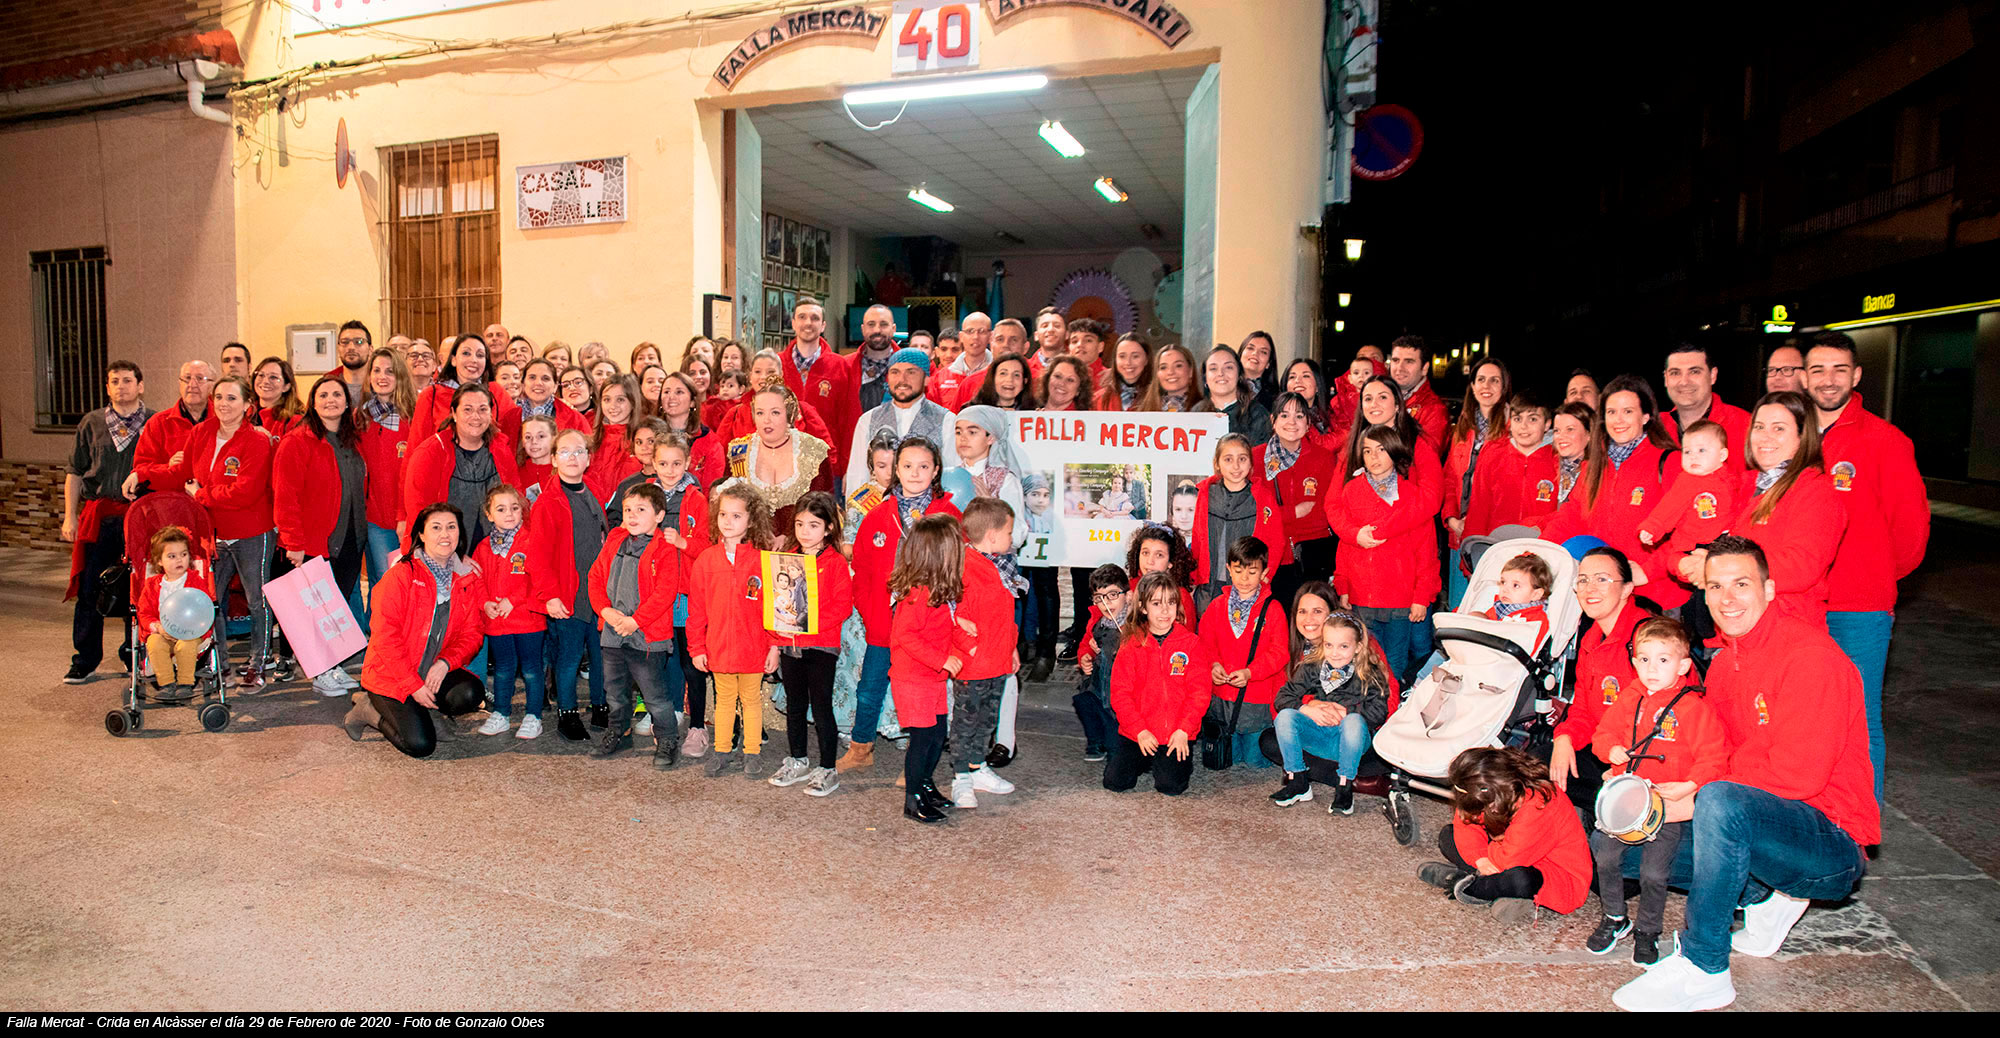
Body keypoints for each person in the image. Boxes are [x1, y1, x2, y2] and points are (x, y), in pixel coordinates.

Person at [1610, 535, 1875, 1013]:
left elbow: (1800, 776)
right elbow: (1713, 753)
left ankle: (1705, 967)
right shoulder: (1726, 663)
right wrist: (1656, 789)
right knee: (1626, 845)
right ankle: (1760, 897)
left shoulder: (1810, 657)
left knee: (1720, 802)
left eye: (1741, 584)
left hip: (1829, 840)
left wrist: (1697, 797)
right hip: (1758, 821)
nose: (1727, 598)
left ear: (1769, 590)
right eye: (1715, 586)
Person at [1806, 332, 1927, 806]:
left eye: (1839, 369)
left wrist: (1870, 576)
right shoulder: (1790, 434)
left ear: (1856, 376)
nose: (1828, 380)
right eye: (1818, 370)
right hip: (1799, 602)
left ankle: (1860, 825)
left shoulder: (1885, 440)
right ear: (1804, 378)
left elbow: (1911, 533)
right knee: (1804, 716)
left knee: (1859, 717)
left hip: (1858, 609)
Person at [1586, 616, 1727, 966]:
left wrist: (1690, 786)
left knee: (1654, 873)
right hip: (1625, 801)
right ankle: (1615, 916)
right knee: (1605, 857)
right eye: (1645, 659)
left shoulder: (1694, 707)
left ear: (1683, 666)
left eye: (1663, 660)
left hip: (1666, 806)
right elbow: (1603, 734)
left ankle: (1648, 930)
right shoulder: (1629, 697)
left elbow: (1713, 757)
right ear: (1634, 663)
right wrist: (1610, 750)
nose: (1652, 668)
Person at [840, 437, 963, 772]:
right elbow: (862, 568)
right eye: (907, 466)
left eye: (924, 466)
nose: (915, 473)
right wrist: (870, 611)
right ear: (896, 469)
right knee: (870, 688)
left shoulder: (948, 516)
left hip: (928, 625)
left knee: (925, 694)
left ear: (936, 470)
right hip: (883, 622)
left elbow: (960, 569)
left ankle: (918, 762)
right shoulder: (878, 515)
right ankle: (861, 748)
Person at [1680, 392, 1843, 625]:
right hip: (1735, 621)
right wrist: (1681, 561)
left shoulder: (1816, 491)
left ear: (1802, 436)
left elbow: (1801, 567)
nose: (1766, 437)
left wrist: (1717, 568)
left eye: (1779, 428)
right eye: (1759, 427)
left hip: (1786, 625)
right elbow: (1695, 530)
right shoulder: (1743, 485)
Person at [345, 503, 490, 758]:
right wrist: (412, 685)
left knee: (470, 692)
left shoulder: (465, 579)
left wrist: (445, 663)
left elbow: (473, 634)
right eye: (436, 528)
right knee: (421, 745)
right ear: (421, 535)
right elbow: (385, 639)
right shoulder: (401, 576)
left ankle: (426, 711)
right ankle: (368, 710)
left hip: (431, 668)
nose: (445, 534)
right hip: (392, 674)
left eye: (451, 527)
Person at [273, 374, 371, 694]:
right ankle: (320, 672)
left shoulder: (352, 440)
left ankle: (333, 664)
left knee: (334, 608)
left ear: (347, 402)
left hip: (351, 539)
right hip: (316, 542)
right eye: (323, 395)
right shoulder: (297, 442)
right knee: (313, 611)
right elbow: (285, 496)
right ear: (312, 403)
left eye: (337, 395)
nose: (331, 400)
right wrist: (293, 542)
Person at [1419, 747, 1592, 925]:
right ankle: (1497, 889)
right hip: (1507, 854)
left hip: (1553, 875)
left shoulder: (1539, 803)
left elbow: (1511, 860)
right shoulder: (1495, 789)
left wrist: (1486, 855)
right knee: (1448, 836)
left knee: (1520, 879)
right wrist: (1480, 859)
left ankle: (1468, 886)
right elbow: (1466, 824)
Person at [1542, 374, 1681, 586]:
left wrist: (1648, 571)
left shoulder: (1669, 462)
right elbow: (1571, 517)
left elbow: (1685, 532)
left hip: (1654, 590)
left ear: (1645, 416)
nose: (1618, 420)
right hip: (1604, 589)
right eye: (1611, 412)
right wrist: (1538, 553)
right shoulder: (1594, 465)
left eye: (1628, 411)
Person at [63, 360, 152, 683]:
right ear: (107, 387)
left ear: (140, 386)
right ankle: (85, 659)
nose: (121, 386)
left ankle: (134, 654)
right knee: (90, 588)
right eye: (114, 381)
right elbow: (75, 472)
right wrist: (70, 516)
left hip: (139, 518)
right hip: (99, 517)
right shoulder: (92, 423)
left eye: (127, 380)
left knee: (138, 590)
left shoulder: (155, 422)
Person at [186, 375, 276, 689]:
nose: (224, 404)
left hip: (252, 531)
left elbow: (244, 492)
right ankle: (219, 664)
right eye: (219, 397)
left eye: (232, 398)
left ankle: (257, 664)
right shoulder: (200, 433)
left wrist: (201, 495)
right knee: (211, 601)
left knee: (257, 602)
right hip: (212, 533)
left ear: (248, 405)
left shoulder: (257, 440)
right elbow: (186, 474)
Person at [585, 482, 685, 766]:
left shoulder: (664, 549)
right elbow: (595, 577)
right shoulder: (615, 539)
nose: (632, 515)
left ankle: (667, 739)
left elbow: (665, 593)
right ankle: (619, 732)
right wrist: (605, 611)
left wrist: (635, 621)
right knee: (615, 691)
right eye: (628, 509)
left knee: (655, 696)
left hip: (647, 636)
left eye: (641, 510)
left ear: (659, 515)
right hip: (613, 631)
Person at [688, 481, 780, 779]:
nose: (728, 521)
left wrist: (774, 645)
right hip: (718, 647)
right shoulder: (706, 560)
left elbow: (774, 609)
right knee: (724, 701)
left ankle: (752, 751)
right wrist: (696, 648)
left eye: (736, 516)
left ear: (751, 520)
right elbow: (696, 610)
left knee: (751, 701)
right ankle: (722, 750)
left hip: (753, 647)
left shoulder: (762, 560)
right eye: (723, 515)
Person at [1554, 546, 1652, 822]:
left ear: (1627, 589)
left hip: (1641, 759)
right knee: (1535, 765)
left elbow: (1661, 721)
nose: (1590, 588)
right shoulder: (1591, 638)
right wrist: (1564, 738)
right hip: (1603, 746)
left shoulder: (1647, 638)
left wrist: (1620, 767)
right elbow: (1582, 709)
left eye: (1602, 579)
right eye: (1583, 580)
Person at [1329, 424, 1431, 680]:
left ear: (1394, 452)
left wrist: (1421, 596)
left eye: (1381, 450)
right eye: (1367, 451)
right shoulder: (1351, 491)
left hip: (1400, 598)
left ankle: (1393, 703)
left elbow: (1426, 551)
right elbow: (1345, 544)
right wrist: (1343, 586)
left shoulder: (1412, 495)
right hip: (1362, 595)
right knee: (1366, 661)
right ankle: (1372, 704)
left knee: (1394, 664)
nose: (1374, 457)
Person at [768, 492, 853, 797]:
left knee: (820, 706)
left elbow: (842, 606)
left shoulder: (835, 562)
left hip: (820, 646)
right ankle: (798, 760)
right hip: (790, 645)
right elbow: (776, 604)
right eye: (800, 524)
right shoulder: (786, 559)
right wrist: (774, 644)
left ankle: (828, 767)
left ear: (828, 528)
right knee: (794, 704)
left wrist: (809, 622)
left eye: (814, 525)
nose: (805, 531)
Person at [525, 428, 608, 740]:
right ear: (554, 459)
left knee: (600, 655)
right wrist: (550, 595)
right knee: (570, 657)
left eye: (578, 452)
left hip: (597, 593)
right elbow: (537, 556)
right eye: (565, 452)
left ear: (588, 459)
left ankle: (601, 706)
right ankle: (568, 713)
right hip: (567, 595)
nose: (572, 458)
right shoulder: (548, 502)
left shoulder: (593, 491)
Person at [1268, 609, 1391, 813]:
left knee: (1353, 722)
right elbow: (1283, 697)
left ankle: (1344, 785)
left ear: (1358, 647)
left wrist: (1347, 713)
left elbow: (1379, 712)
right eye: (1328, 645)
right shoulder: (1312, 667)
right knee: (1285, 717)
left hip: (1352, 741)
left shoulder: (1370, 672)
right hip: (1320, 736)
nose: (1335, 653)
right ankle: (1298, 781)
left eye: (1344, 646)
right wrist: (1307, 709)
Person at [1104, 572, 1214, 797]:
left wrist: (1184, 730)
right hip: (1139, 732)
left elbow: (1200, 693)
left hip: (1176, 733)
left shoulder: (1191, 644)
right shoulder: (1131, 644)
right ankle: (1146, 759)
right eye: (1156, 603)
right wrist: (1139, 731)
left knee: (1170, 786)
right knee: (1115, 782)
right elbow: (1120, 694)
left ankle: (1168, 761)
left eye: (1170, 603)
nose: (1165, 611)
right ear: (1143, 607)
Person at [949, 497, 1026, 809]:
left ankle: (977, 766)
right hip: (973, 666)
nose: (1012, 538)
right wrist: (971, 647)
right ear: (992, 536)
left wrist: (1011, 647)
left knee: (987, 720)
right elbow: (952, 616)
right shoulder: (964, 568)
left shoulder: (998, 566)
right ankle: (960, 777)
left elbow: (1004, 615)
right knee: (966, 723)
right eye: (1009, 532)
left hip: (998, 661)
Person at [1197, 536, 1288, 771]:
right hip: (1221, 696)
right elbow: (1204, 643)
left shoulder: (1273, 609)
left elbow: (1280, 652)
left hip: (1256, 696)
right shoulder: (1216, 606)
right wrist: (1213, 665)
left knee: (1254, 761)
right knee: (1231, 758)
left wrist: (1251, 672)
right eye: (1238, 571)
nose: (1244, 579)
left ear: (1264, 572)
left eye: (1252, 572)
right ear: (1228, 569)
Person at [399, 382, 521, 555]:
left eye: (482, 409)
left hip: (493, 551)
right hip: (441, 551)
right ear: (454, 413)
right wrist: (454, 557)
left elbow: (516, 497)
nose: (476, 416)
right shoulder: (430, 452)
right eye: (467, 410)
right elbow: (419, 512)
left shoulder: (501, 449)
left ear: (491, 413)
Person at [470, 484, 548, 740]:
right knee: (503, 669)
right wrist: (485, 604)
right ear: (489, 514)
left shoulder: (532, 540)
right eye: (501, 509)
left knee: (532, 669)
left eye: (515, 508)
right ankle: (501, 713)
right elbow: (477, 580)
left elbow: (538, 578)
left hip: (528, 620)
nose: (509, 514)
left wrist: (513, 600)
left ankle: (533, 716)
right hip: (497, 621)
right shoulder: (483, 547)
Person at [1256, 392, 1339, 610]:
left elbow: (1325, 511)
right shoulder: (1256, 458)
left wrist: (1275, 515)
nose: (1292, 422)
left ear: (1308, 422)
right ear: (1273, 420)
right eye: (1284, 415)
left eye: (1299, 416)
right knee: (1277, 617)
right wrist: (1292, 513)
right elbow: (1254, 512)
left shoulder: (1323, 458)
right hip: (1271, 554)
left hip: (1313, 555)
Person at [1189, 433, 1288, 609]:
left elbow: (1276, 541)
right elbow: (1198, 538)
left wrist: (1265, 576)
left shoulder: (1262, 497)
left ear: (1250, 463)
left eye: (1242, 459)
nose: (1235, 466)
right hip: (1209, 586)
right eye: (1228, 459)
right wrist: (1194, 576)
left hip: (1247, 586)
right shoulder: (1206, 493)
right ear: (1217, 463)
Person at [726, 384, 833, 541]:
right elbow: (729, 505)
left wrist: (791, 536)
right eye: (760, 413)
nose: (766, 420)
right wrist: (758, 533)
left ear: (789, 415)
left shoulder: (814, 452)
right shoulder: (738, 452)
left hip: (804, 544)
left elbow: (825, 508)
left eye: (775, 412)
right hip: (750, 544)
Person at [1442, 358, 1511, 603]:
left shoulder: (1513, 429)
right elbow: (1450, 479)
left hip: (1493, 536)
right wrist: (1451, 518)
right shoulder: (1463, 429)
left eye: (1494, 380)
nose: (1486, 386)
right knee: (1459, 604)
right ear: (1472, 386)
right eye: (1481, 380)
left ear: (1504, 387)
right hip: (1460, 533)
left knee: (1489, 604)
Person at [843, 346, 955, 492]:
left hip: (930, 505)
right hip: (880, 504)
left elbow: (951, 476)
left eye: (911, 372)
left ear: (926, 379)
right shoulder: (869, 420)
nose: (902, 380)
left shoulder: (946, 420)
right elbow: (858, 476)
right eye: (895, 372)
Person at [357, 349, 416, 622]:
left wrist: (405, 515)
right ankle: (375, 632)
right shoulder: (359, 418)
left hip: (403, 516)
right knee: (379, 580)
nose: (382, 377)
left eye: (390, 371)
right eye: (377, 370)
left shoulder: (412, 418)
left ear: (400, 376)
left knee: (393, 581)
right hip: (370, 516)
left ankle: (385, 633)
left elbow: (414, 473)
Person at [1637, 419, 1736, 577]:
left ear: (1722, 455)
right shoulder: (1687, 481)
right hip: (1694, 545)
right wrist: (1652, 528)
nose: (1693, 457)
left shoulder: (1731, 479)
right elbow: (1668, 507)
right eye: (1687, 452)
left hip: (1724, 542)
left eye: (1701, 450)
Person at [1462, 391, 1557, 541]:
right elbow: (1478, 508)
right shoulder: (1493, 455)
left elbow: (1565, 512)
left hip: (1540, 545)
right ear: (1510, 422)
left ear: (1547, 424)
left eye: (1532, 419)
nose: (1523, 426)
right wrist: (1472, 545)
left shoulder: (1558, 460)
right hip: (1496, 544)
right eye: (1517, 419)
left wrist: (1542, 527)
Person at [781, 296, 859, 473]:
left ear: (823, 326)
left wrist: (846, 468)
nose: (808, 323)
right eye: (802, 317)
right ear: (793, 323)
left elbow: (849, 421)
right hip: (782, 465)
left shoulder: (840, 366)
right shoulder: (776, 365)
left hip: (827, 466)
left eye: (815, 318)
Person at [137, 525, 211, 698]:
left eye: (183, 555)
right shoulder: (152, 586)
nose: (179, 560)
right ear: (159, 561)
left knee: (185, 645)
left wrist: (189, 628)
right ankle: (166, 684)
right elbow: (144, 613)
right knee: (154, 643)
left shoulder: (196, 581)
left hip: (191, 632)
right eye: (172, 556)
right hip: (163, 631)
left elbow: (204, 607)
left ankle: (185, 683)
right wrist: (157, 627)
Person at [125, 359, 211, 500]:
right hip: (172, 504)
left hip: (214, 503)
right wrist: (169, 466)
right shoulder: (159, 423)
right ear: (179, 384)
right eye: (187, 378)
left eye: (200, 378)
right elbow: (141, 470)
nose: (192, 384)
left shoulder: (223, 422)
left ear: (212, 386)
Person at [1658, 344, 1752, 464]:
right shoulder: (1653, 429)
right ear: (1666, 379)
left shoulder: (1746, 427)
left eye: (1694, 372)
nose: (1684, 382)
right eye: (1675, 373)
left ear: (1713, 375)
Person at [1072, 564, 1129, 762]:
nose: (1106, 603)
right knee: (1083, 701)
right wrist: (1085, 658)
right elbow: (1084, 645)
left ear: (1127, 595)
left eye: (1113, 595)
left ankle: (1118, 746)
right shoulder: (1097, 621)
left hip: (1121, 694)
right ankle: (1096, 741)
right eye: (1099, 598)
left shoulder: (1134, 623)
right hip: (1098, 686)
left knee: (1117, 749)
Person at [1521, 400, 1593, 528]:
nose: (1561, 436)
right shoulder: (1554, 465)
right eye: (1557, 431)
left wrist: (1541, 526)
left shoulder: (1597, 472)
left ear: (1589, 434)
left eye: (1570, 429)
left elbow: (1577, 517)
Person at [501, 358, 591, 444]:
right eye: (532, 377)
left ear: (555, 386)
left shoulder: (575, 419)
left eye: (545, 378)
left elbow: (589, 451)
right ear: (523, 384)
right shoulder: (510, 418)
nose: (538, 383)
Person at [657, 371, 723, 486]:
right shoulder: (649, 436)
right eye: (666, 392)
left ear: (692, 402)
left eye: (679, 392)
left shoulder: (710, 442)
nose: (671, 397)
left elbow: (710, 488)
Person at [1194, 345, 1270, 445]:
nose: (1220, 373)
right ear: (1205, 378)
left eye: (1228, 367)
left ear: (1239, 375)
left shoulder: (1258, 414)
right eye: (1213, 368)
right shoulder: (1195, 414)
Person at [585, 375, 642, 502]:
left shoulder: (642, 442)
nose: (613, 406)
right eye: (607, 399)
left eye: (620, 400)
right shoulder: (591, 441)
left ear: (633, 402)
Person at [1386, 335, 1448, 453]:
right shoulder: (1380, 398)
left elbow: (1426, 457)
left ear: (1424, 368)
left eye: (1409, 361)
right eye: (1395, 360)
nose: (1399, 368)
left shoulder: (1434, 409)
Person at [853, 304, 903, 413]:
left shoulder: (908, 366)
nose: (877, 330)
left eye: (883, 324)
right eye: (871, 324)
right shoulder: (845, 366)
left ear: (893, 329)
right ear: (863, 329)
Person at [1279, 359, 1337, 449]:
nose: (1297, 380)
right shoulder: (1278, 418)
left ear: (1317, 386)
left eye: (1305, 376)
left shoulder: (1333, 416)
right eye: (1292, 377)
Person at [1095, 332, 1153, 411]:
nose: (1128, 362)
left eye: (1135, 356)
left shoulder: (1159, 397)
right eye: (1122, 356)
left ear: (1146, 359)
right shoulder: (1099, 399)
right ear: (1115, 360)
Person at [1137, 343, 1202, 412]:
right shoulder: (1143, 410)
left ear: (1191, 371)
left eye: (1178, 366)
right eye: (1163, 367)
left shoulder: (1205, 410)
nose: (1170, 372)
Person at [251, 357, 305, 435]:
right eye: (261, 375)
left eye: (273, 377)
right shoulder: (245, 414)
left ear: (286, 386)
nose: (265, 381)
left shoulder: (295, 421)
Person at [970, 353, 1037, 410]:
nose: (1009, 380)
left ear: (1024, 381)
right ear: (993, 378)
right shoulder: (973, 410)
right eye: (1003, 373)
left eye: (1016, 375)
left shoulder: (1034, 411)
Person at [515, 416, 558, 501]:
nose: (534, 442)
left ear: (554, 438)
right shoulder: (515, 474)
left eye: (541, 436)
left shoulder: (564, 472)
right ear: (522, 442)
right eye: (528, 437)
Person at [1025, 306, 1068, 383]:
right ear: (1036, 336)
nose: (1050, 329)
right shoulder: (1025, 369)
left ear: (1067, 334)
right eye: (1045, 326)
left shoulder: (1079, 367)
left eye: (1057, 326)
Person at [1238, 330, 1279, 412]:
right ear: (1240, 354)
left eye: (1263, 352)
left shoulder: (1277, 400)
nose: (1255, 353)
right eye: (1250, 348)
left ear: (1268, 363)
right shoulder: (1223, 386)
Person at [334, 320, 373, 404]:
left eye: (359, 342)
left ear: (370, 349)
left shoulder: (382, 384)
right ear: (338, 349)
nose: (351, 347)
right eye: (345, 342)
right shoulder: (326, 384)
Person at [1067, 318, 1111, 393]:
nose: (1080, 345)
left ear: (1100, 347)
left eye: (1088, 340)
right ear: (1069, 349)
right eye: (1074, 341)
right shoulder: (1059, 378)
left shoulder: (1111, 380)